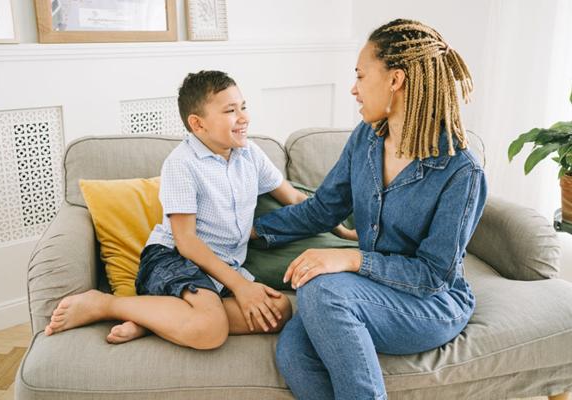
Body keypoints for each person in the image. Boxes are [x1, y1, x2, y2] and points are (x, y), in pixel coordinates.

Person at [251, 19, 488, 399]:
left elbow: (433, 276)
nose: (353, 89)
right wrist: (256, 231)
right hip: (369, 289)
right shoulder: (366, 138)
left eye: (361, 76)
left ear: (395, 80)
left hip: (432, 303)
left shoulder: (461, 171)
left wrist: (352, 261)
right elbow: (322, 210)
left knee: (322, 291)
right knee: (294, 353)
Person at [44, 70, 354, 348]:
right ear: (198, 123)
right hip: (174, 259)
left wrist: (337, 227)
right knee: (210, 330)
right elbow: (186, 241)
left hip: (223, 267)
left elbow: (298, 201)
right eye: (230, 111)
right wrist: (242, 287)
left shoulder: (250, 154)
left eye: (243, 107)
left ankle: (157, 320)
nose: (243, 117)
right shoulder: (182, 164)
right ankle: (106, 304)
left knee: (279, 311)